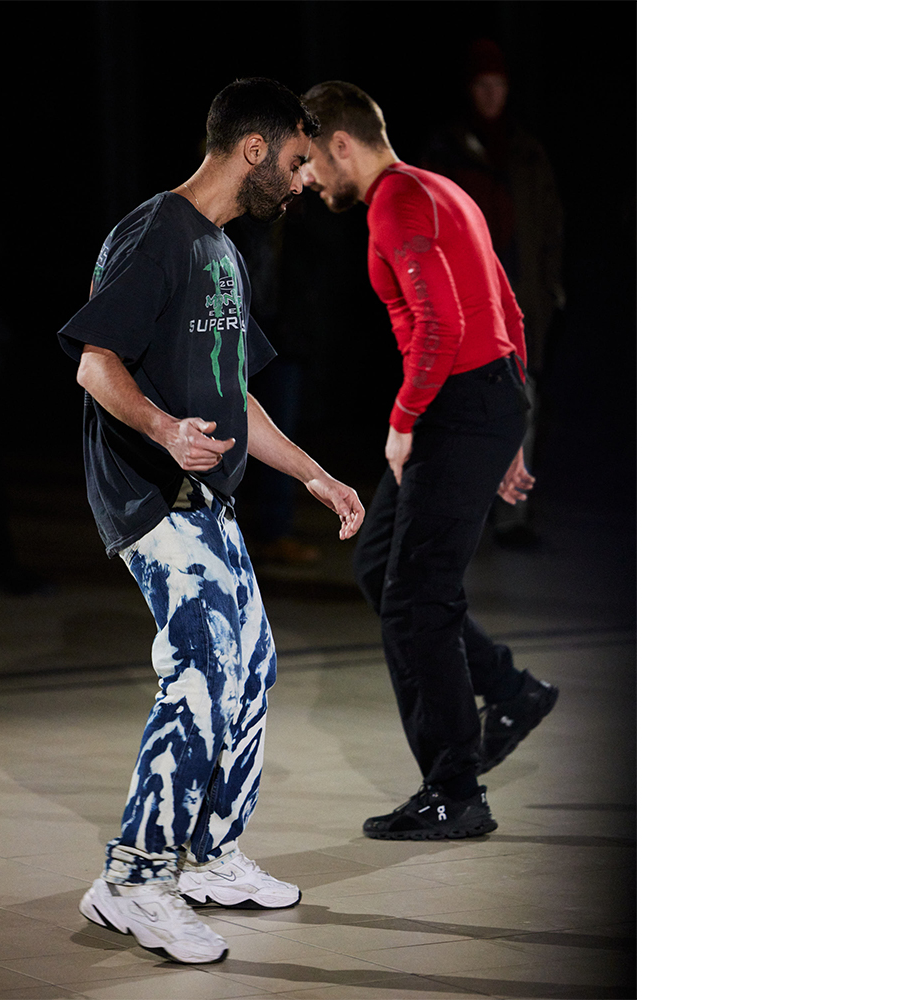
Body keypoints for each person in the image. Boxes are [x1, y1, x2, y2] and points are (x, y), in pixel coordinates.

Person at [57, 78, 365, 965]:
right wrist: (163, 428)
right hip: (150, 494)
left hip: (206, 497)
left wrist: (313, 474)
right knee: (202, 666)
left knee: (252, 664)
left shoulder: (223, 251)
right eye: (297, 161)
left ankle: (209, 856)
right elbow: (94, 364)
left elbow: (239, 395)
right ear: (255, 149)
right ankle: (132, 879)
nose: (304, 181)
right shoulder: (157, 232)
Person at [298, 81, 558, 841]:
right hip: (483, 399)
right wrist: (513, 419)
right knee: (381, 568)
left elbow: (441, 326)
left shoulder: (397, 203)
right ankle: (507, 689)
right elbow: (508, 307)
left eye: (308, 160)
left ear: (341, 144)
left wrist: (405, 420)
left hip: (456, 404)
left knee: (418, 599)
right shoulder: (440, 188)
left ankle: (454, 790)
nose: (305, 179)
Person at [421, 39, 566, 548]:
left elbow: (550, 227)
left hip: (519, 305)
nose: (491, 94)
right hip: (464, 308)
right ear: (470, 89)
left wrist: (548, 288)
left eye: (498, 85)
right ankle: (460, 513)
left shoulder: (526, 152)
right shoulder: (446, 150)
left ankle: (511, 517)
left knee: (521, 406)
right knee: (459, 410)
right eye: (482, 85)